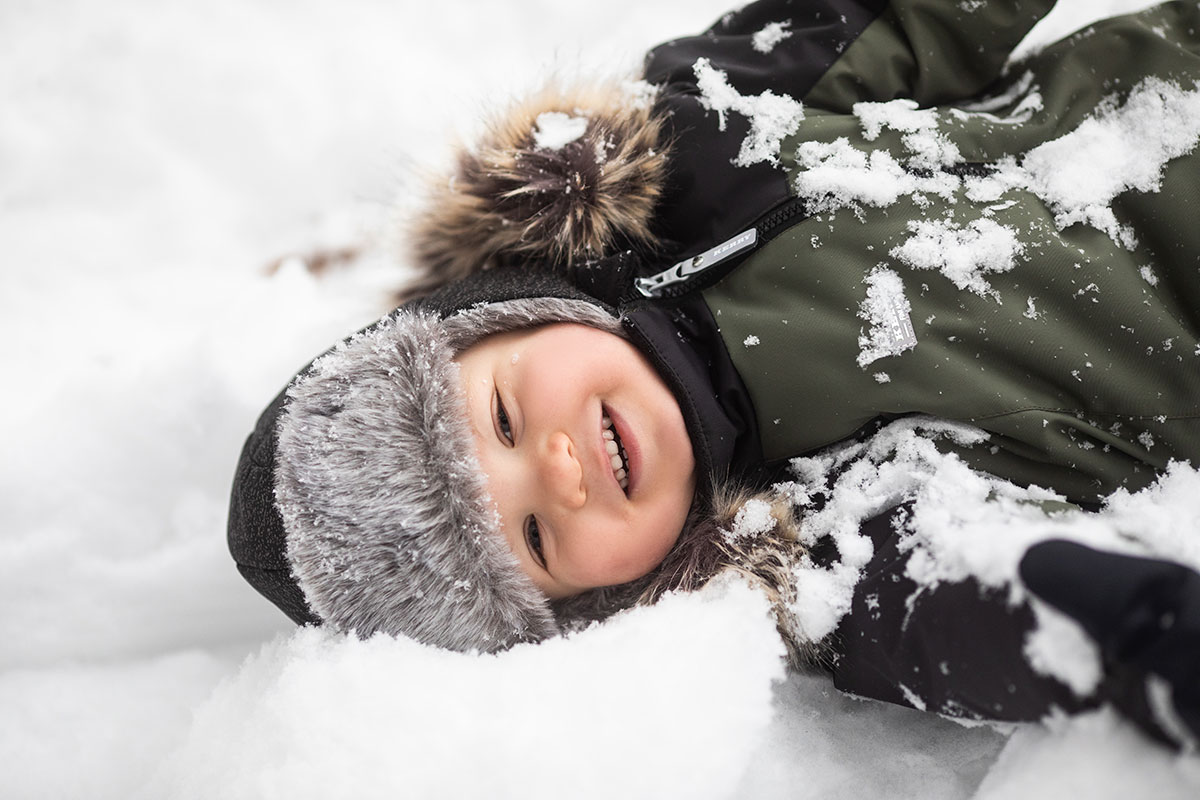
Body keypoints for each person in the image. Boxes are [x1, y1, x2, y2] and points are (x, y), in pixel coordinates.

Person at [228, 0, 1200, 749]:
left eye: (508, 417)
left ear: (505, 312)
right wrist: (1147, 635)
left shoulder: (697, 148)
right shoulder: (829, 550)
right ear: (590, 605)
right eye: (532, 535)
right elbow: (1002, 602)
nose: (563, 473)